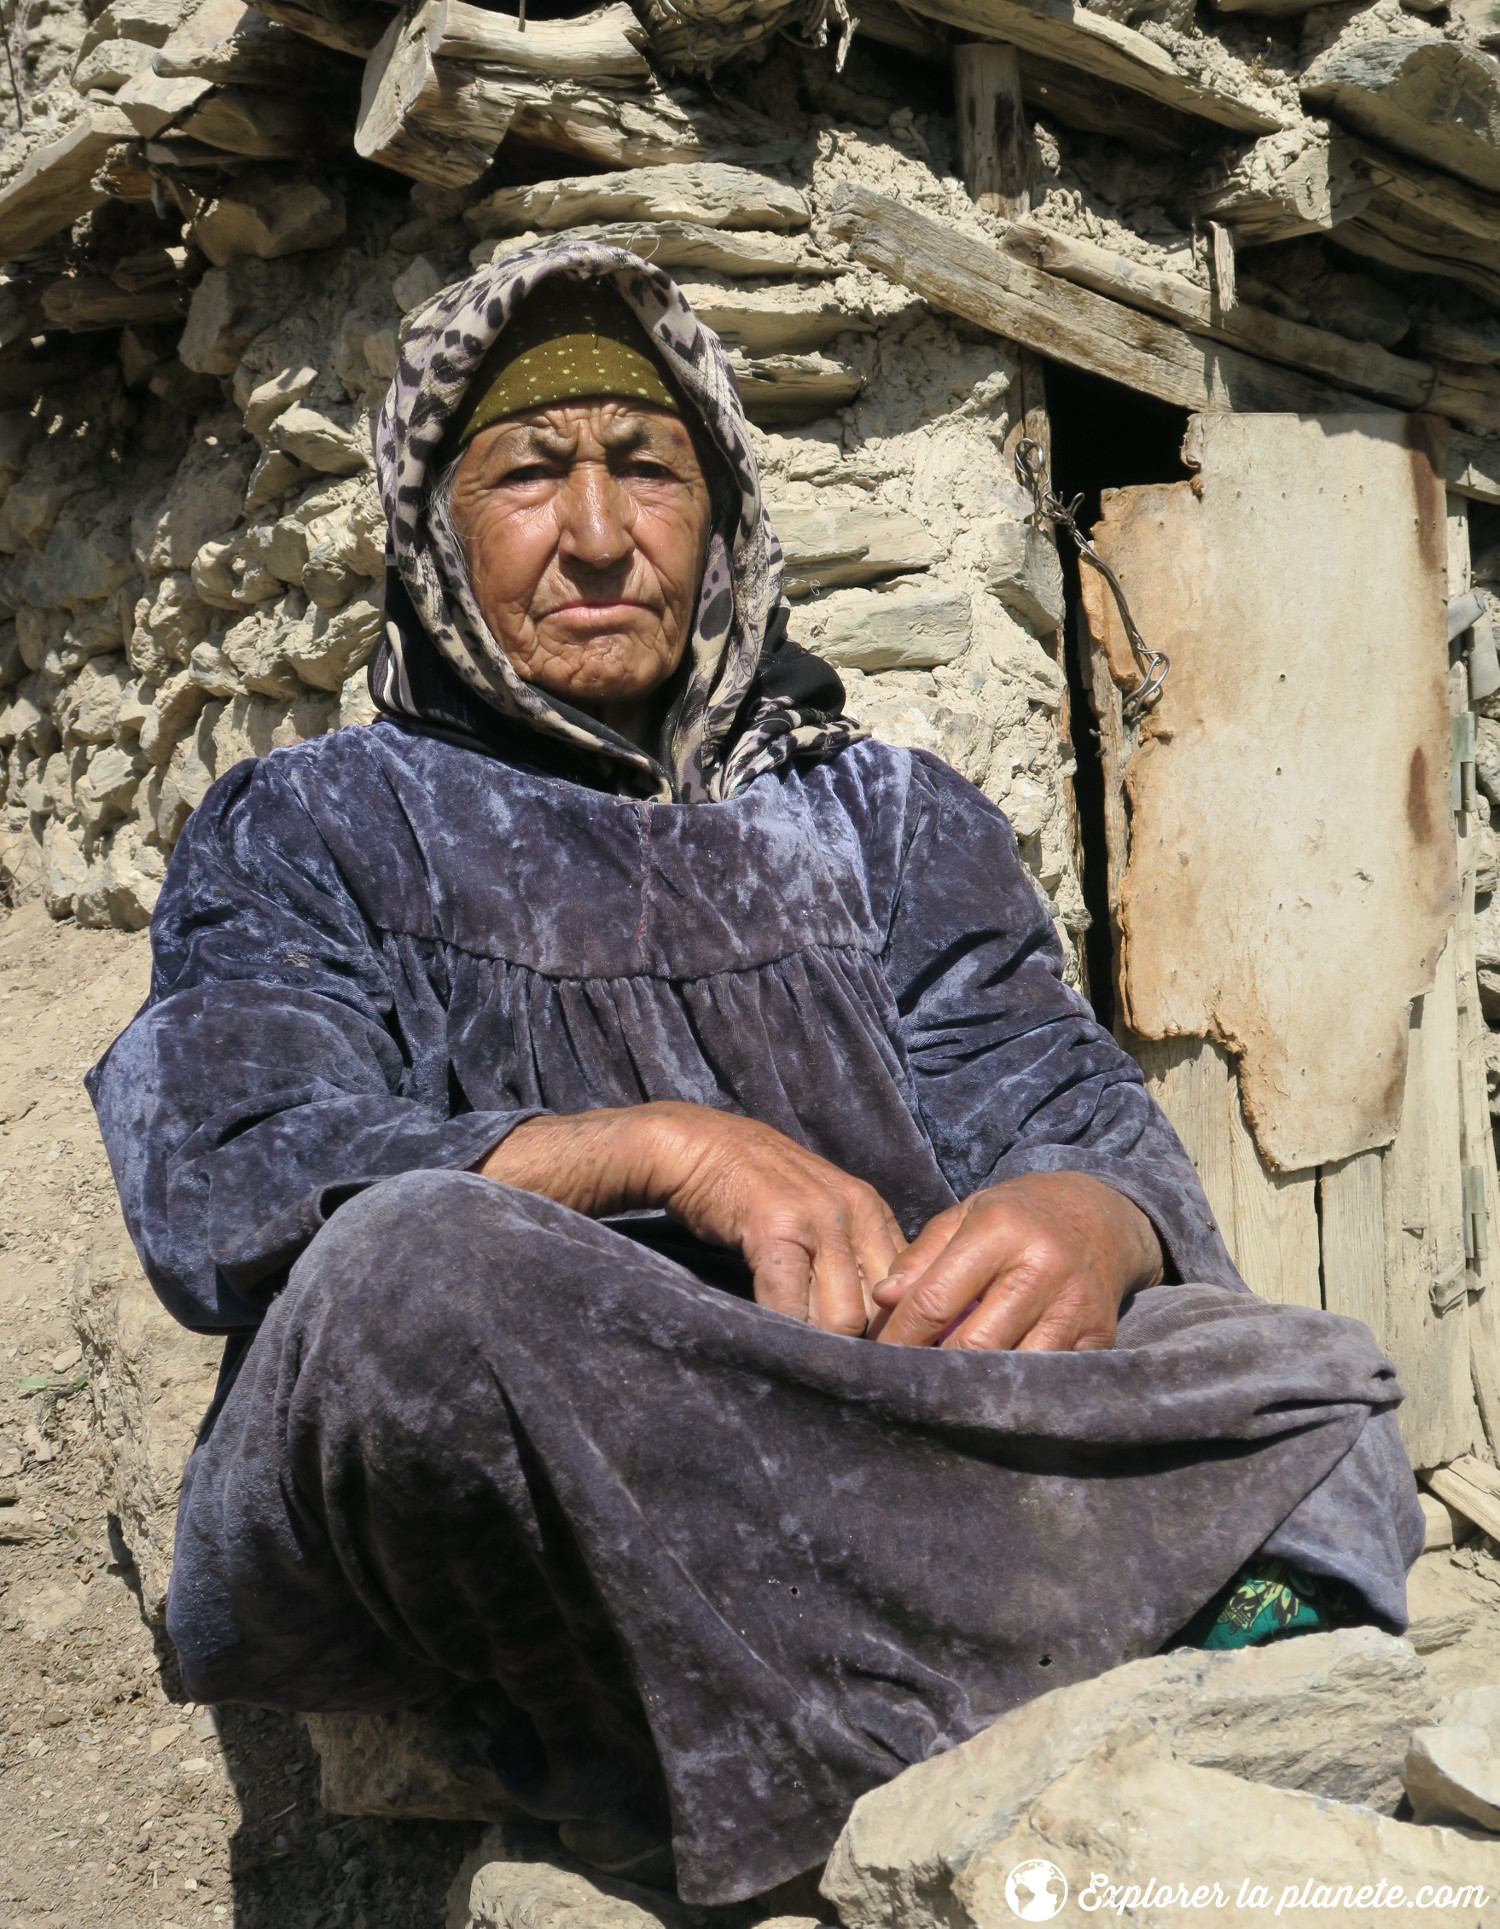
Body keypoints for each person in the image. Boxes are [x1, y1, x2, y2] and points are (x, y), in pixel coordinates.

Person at [89, 242, 1424, 1908]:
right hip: (549, 1414)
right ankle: (1054, 1681)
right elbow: (227, 1179)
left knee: (1313, 1378)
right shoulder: (315, 823)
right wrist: (661, 1148)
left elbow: (1058, 1097)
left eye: (645, 468)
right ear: (435, 531)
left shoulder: (887, 820)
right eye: (526, 474)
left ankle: (776, 1732)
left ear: (718, 519)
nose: (594, 533)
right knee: (406, 1284)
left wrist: (1093, 1218)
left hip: (876, 1385)